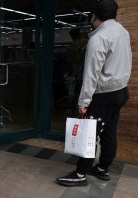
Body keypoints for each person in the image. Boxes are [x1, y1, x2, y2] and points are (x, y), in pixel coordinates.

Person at [57, 0, 131, 187]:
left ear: (94, 16)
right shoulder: (123, 32)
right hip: (120, 91)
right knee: (109, 132)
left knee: (89, 134)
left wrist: (84, 102)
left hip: (103, 94)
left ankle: (80, 173)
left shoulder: (99, 38)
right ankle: (102, 168)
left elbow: (91, 74)